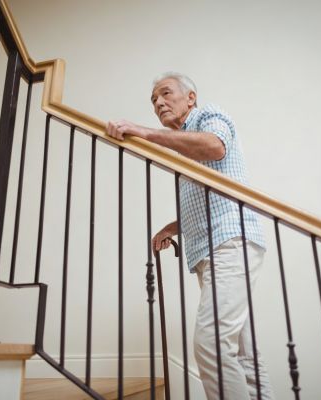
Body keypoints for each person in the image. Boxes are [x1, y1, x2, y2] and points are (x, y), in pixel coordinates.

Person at [107, 72, 274, 400]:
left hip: (230, 242)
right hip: (216, 249)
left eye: (165, 94)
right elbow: (207, 199)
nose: (158, 103)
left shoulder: (208, 116)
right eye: (153, 100)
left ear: (191, 98)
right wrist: (172, 227)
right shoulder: (183, 147)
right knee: (244, 356)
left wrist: (143, 132)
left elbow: (215, 147)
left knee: (211, 344)